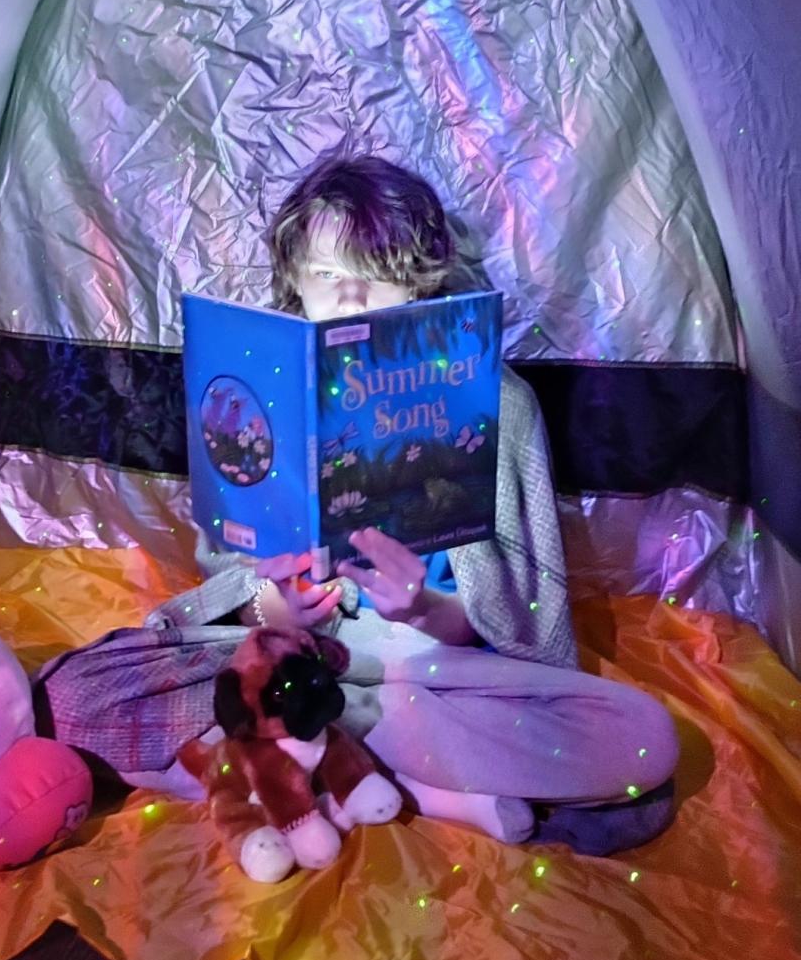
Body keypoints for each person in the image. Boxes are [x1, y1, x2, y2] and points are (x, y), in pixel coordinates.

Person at [35, 155, 679, 854]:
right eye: (325, 277)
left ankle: (307, 757)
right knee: (73, 695)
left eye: (373, 278)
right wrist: (281, 607)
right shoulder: (267, 396)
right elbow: (239, 597)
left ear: (420, 280)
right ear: (296, 282)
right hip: (302, 659)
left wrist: (422, 608)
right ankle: (408, 777)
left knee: (643, 740)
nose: (347, 301)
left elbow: (516, 619)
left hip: (434, 670)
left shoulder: (501, 402)